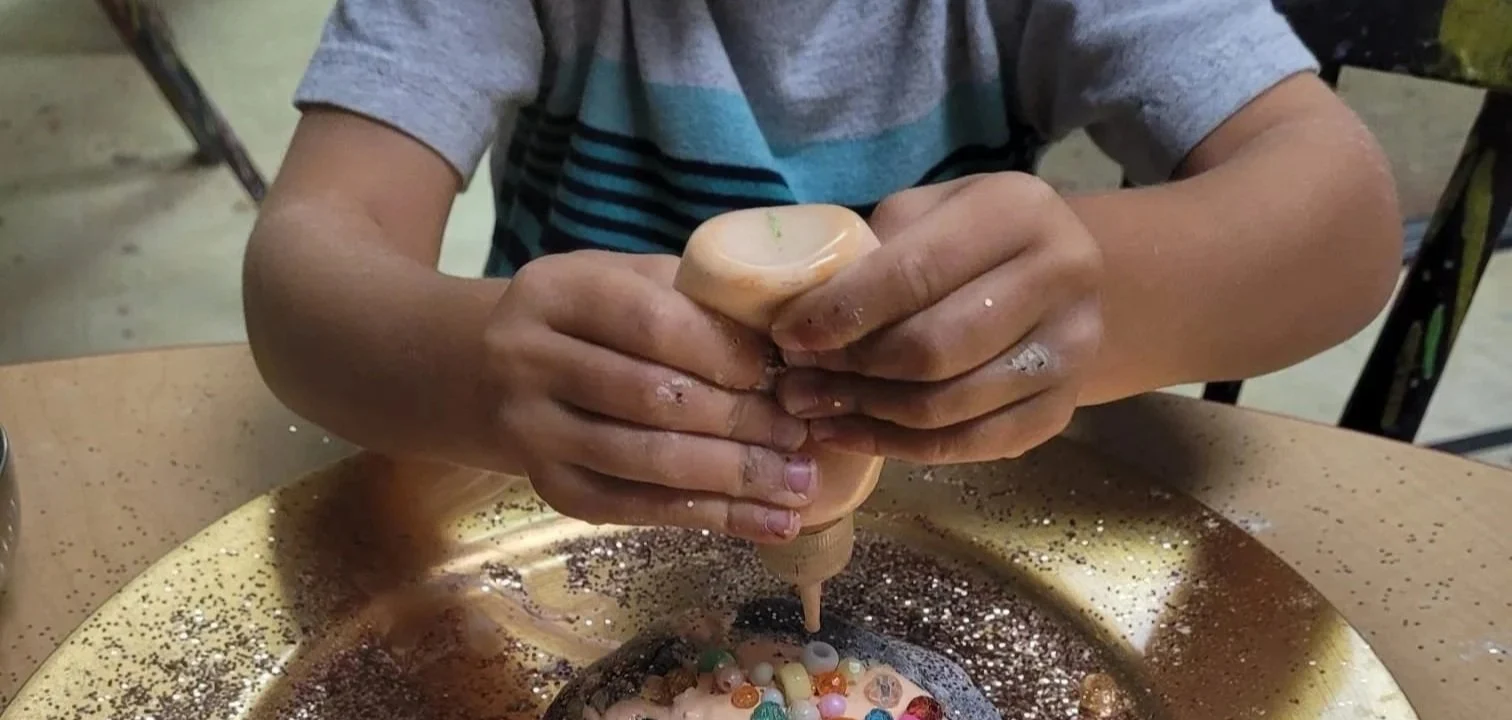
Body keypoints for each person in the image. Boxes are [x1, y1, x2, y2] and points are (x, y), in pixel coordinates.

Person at [244, 0, 1400, 545]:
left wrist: (1070, 308)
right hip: (554, 520)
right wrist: (485, 377)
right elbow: (311, 264)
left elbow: (1342, 223)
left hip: (947, 537)